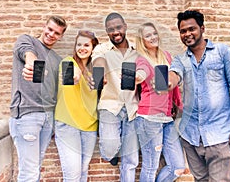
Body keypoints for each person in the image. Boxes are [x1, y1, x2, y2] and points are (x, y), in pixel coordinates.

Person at [169, 10, 230, 181]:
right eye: (183, 31)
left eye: (192, 29)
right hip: (191, 138)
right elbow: (174, 75)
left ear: (202, 28)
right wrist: (166, 81)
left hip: (219, 137)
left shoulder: (223, 53)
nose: (187, 34)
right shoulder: (180, 59)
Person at [9, 16, 67, 182]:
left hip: (48, 118)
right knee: (29, 172)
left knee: (35, 167)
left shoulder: (57, 59)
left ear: (61, 36)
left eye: (56, 33)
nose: (51, 34)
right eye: (49, 29)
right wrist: (31, 63)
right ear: (44, 27)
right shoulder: (28, 41)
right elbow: (27, 53)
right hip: (28, 114)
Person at [90, 12, 139, 181]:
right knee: (110, 149)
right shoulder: (102, 49)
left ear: (125, 27)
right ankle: (113, 152)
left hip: (133, 108)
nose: (115, 32)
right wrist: (99, 73)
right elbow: (98, 61)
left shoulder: (137, 49)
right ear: (106, 31)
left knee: (131, 160)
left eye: (118, 27)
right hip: (110, 106)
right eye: (111, 29)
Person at [134, 22, 185, 182]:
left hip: (168, 118)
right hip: (149, 119)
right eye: (148, 35)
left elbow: (174, 85)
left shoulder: (167, 56)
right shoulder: (141, 60)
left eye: (154, 33)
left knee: (177, 167)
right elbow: (141, 71)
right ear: (142, 40)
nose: (153, 37)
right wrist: (138, 76)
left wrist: (180, 105)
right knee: (150, 167)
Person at [54, 30, 99, 182]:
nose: (82, 48)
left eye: (86, 45)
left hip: (90, 126)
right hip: (68, 124)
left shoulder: (96, 70)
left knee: (83, 171)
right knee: (72, 175)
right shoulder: (68, 62)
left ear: (93, 48)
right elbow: (72, 76)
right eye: (79, 44)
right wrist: (77, 75)